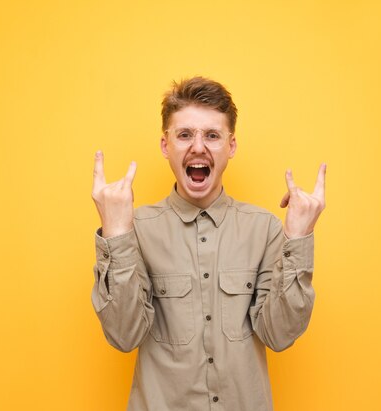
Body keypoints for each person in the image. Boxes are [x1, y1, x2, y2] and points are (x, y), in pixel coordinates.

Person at [91, 76, 326, 411]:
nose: (198, 147)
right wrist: (115, 233)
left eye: (212, 135)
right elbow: (124, 336)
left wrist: (298, 238)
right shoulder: (134, 231)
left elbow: (280, 334)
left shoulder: (265, 230)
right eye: (185, 134)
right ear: (165, 145)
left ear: (230, 146)